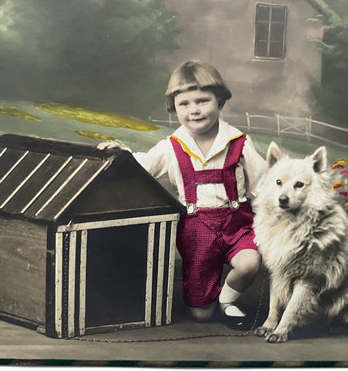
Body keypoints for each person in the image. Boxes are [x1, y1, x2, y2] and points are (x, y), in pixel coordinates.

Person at [99, 60, 266, 329]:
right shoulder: (171, 147)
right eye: (184, 104)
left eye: (202, 101)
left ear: (220, 101)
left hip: (238, 223)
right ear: (173, 107)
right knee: (201, 315)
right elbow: (143, 166)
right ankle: (209, 300)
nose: (194, 110)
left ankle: (227, 299)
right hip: (196, 230)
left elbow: (265, 184)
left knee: (250, 263)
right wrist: (122, 152)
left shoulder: (239, 143)